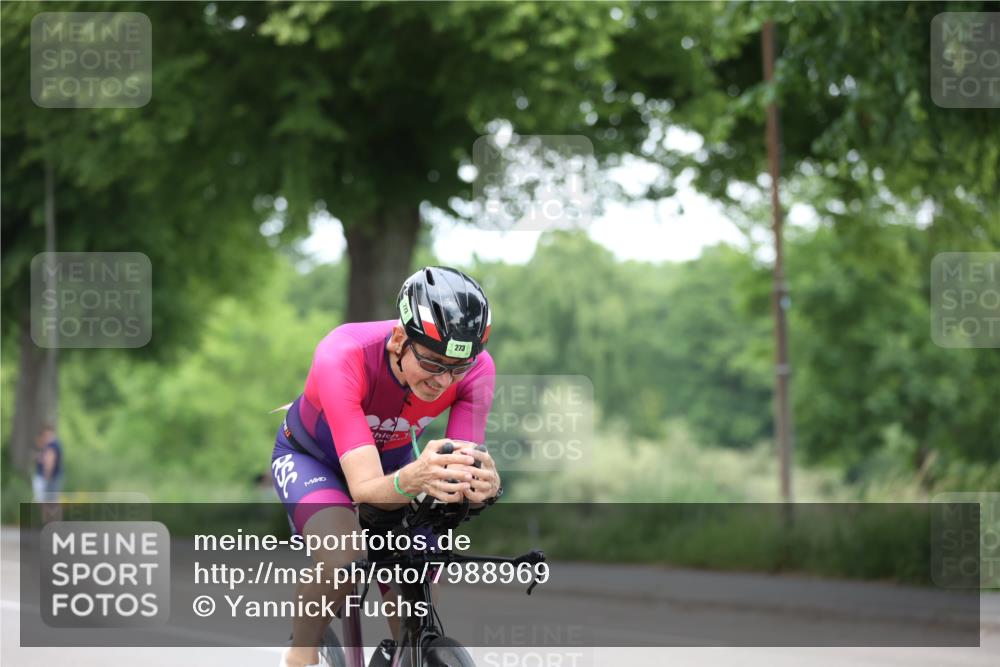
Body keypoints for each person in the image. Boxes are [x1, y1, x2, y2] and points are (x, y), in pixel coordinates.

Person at [272, 267, 501, 667]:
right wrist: (417, 478)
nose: (444, 380)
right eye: (432, 363)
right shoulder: (343, 353)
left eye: (457, 368)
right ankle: (300, 654)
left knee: (416, 573)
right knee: (343, 556)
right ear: (399, 340)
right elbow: (364, 488)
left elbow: (461, 463)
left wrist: (483, 485)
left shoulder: (477, 370)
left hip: (394, 463)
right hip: (313, 459)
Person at [32, 424, 63, 503]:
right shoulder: (53, 444)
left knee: (44, 500)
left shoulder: (52, 445)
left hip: (48, 478)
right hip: (53, 477)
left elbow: (50, 462)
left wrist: (47, 476)